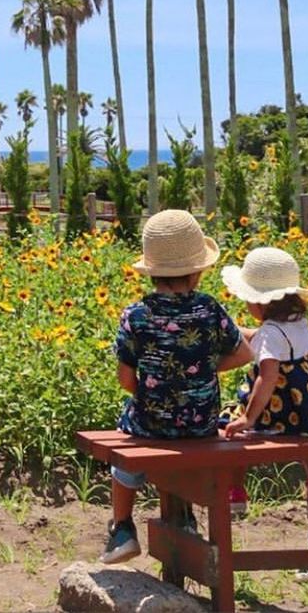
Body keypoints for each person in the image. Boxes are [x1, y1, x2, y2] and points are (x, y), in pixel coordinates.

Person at [100, 209, 252, 564]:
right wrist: (205, 369)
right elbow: (245, 352)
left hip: (151, 424)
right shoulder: (209, 310)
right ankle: (184, 519)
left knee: (128, 446)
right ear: (198, 271)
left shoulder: (135, 315)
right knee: (189, 433)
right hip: (200, 423)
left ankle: (122, 527)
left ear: (151, 271)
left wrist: (153, 390)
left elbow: (126, 380)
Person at [220, 247, 308, 557]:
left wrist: (249, 417)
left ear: (259, 301)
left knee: (229, 423)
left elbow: (268, 375)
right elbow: (273, 340)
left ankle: (236, 490)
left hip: (278, 412)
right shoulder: (297, 321)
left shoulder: (268, 335)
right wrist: (244, 333)